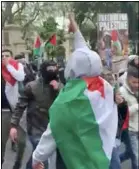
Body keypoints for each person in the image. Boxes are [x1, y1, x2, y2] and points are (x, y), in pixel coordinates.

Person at [32, 14, 118, 169]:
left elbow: (54, 130)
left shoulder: (69, 98)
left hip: (80, 159)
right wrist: (77, 32)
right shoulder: (104, 85)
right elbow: (87, 57)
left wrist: (37, 157)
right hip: (108, 153)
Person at [9, 60, 63, 169]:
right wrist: (13, 126)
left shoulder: (62, 87)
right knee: (43, 160)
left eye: (54, 69)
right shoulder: (31, 87)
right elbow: (20, 106)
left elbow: (68, 104)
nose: (52, 72)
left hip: (55, 128)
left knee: (49, 159)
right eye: (49, 69)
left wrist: (59, 89)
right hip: (36, 128)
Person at [2, 49, 25, 166]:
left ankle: (17, 164)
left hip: (17, 111)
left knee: (22, 141)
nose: (4, 58)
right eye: (2, 56)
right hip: (3, 112)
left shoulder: (17, 66)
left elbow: (20, 77)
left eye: (7, 56)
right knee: (1, 142)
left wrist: (9, 66)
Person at [119, 65, 139, 169]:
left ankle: (113, 162)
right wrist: (136, 107)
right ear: (128, 80)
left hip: (137, 127)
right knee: (136, 157)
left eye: (138, 82)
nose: (137, 85)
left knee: (129, 153)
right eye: (134, 82)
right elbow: (123, 113)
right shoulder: (122, 92)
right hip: (130, 130)